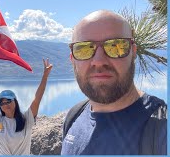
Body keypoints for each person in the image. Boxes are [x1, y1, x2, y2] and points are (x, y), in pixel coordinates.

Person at [61, 10, 167, 155]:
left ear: (133, 52)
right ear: (72, 59)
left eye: (116, 46)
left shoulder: (162, 127)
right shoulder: (73, 117)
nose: (98, 62)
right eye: (84, 49)